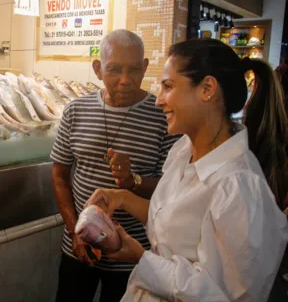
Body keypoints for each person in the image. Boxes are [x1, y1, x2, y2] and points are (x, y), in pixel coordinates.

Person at [87, 39, 288, 301]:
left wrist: (140, 257)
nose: (158, 100)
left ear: (207, 88)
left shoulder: (238, 185)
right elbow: (175, 221)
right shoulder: (183, 150)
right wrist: (121, 198)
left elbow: (229, 295)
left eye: (168, 86)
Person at [50, 29, 179, 302]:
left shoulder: (163, 118)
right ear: (98, 69)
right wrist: (75, 230)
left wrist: (132, 180)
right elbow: (60, 175)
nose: (124, 80)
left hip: (132, 253)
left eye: (134, 70)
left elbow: (171, 189)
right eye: (114, 70)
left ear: (145, 68)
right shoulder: (76, 111)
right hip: (78, 246)